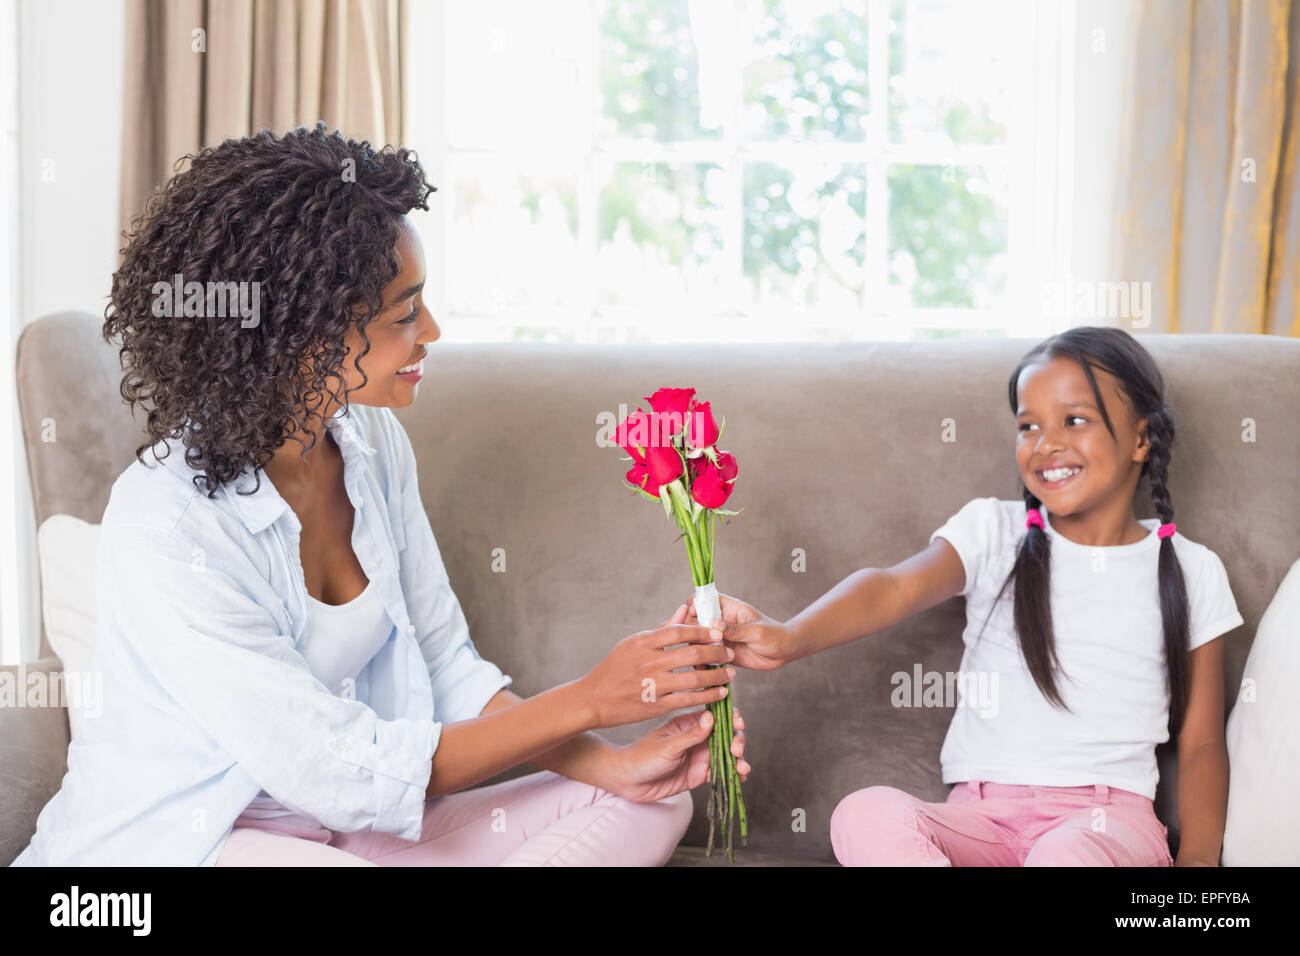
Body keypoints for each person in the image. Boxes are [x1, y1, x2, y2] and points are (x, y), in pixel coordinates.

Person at [13, 124, 747, 867]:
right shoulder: (167, 522)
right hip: (186, 847)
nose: (431, 331)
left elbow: (445, 665)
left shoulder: (368, 444)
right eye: (404, 315)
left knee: (646, 804)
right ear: (302, 335)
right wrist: (592, 696)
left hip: (342, 836)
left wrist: (613, 762)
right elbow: (333, 770)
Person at [689, 325, 1241, 866]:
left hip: (1105, 825)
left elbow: (1200, 746)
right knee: (864, 813)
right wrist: (789, 637)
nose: (1046, 443)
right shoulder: (993, 532)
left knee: (1064, 854)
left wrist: (1197, 864)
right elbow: (893, 587)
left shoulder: (1191, 569)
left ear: (1142, 437)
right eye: (1028, 425)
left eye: (1075, 420)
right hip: (982, 819)